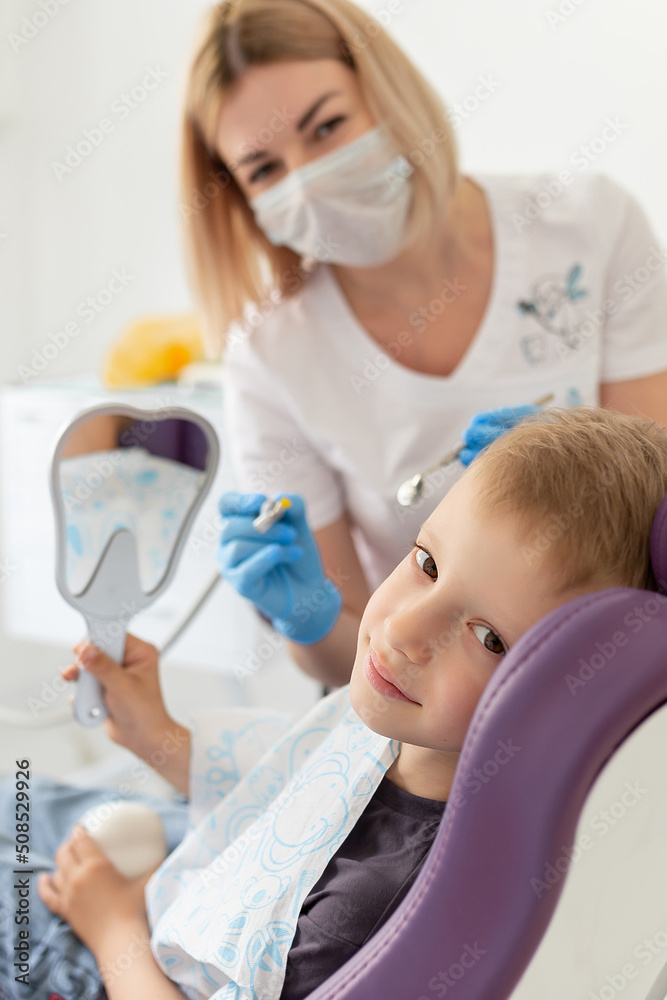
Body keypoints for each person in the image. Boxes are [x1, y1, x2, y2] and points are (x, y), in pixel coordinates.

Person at [0, 406, 660, 1000]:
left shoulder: (373, 905)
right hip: (164, 905)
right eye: (426, 564)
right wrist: (159, 736)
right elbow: (287, 786)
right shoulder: (411, 727)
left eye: (487, 638)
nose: (401, 631)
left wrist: (112, 927)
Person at [179, 0, 667, 687]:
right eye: (263, 169)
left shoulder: (590, 227)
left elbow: (659, 527)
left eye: (327, 127)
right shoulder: (270, 356)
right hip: (423, 713)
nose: (308, 181)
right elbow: (350, 658)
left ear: (388, 95)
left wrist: (588, 467)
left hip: (622, 682)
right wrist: (312, 619)